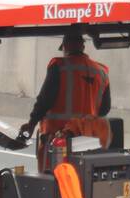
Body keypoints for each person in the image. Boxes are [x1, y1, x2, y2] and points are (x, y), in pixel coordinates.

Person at [20, 30, 111, 171]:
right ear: (83, 46)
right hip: (86, 145)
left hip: (58, 143)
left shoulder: (59, 67)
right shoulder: (101, 72)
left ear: (65, 46)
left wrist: (31, 124)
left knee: (53, 185)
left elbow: (44, 100)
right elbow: (104, 109)